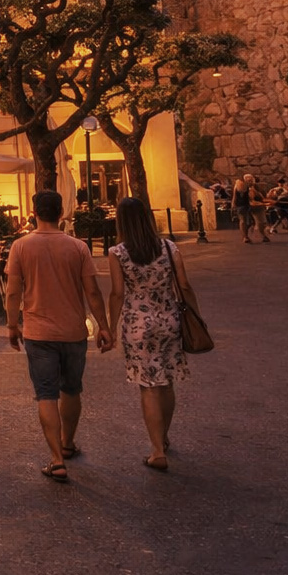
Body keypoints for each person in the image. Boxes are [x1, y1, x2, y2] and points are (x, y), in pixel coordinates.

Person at [4, 189, 112, 483]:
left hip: (38, 332)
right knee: (72, 389)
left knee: (46, 394)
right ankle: (68, 441)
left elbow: (13, 291)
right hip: (73, 330)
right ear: (62, 213)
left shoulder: (21, 247)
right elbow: (92, 292)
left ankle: (56, 459)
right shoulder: (78, 248)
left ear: (34, 212)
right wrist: (104, 326)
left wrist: (12, 325)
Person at [106, 197, 194, 471]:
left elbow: (118, 293)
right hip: (169, 319)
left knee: (148, 385)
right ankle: (164, 437)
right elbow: (184, 286)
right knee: (167, 381)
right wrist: (196, 317)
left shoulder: (117, 252)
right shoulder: (169, 248)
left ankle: (156, 450)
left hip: (137, 324)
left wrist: (110, 327)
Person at [233, 174, 268, 243]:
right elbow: (235, 196)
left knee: (261, 222)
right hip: (243, 205)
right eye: (248, 180)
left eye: (251, 179)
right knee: (244, 221)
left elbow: (261, 197)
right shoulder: (240, 186)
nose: (250, 181)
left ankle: (263, 235)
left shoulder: (256, 187)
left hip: (256, 206)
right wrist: (234, 204)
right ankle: (245, 237)